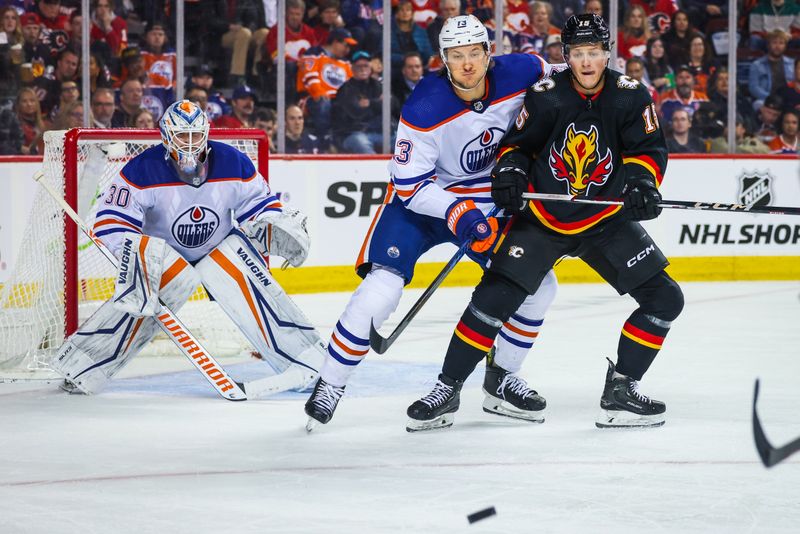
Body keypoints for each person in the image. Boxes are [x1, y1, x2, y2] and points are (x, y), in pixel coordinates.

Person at [407, 13, 682, 432]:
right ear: (566, 56)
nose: (587, 62)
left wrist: (644, 184)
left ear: (607, 53)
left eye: (594, 52)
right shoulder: (546, 95)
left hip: (604, 218)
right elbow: (517, 148)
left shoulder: (631, 96)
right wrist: (511, 175)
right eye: (578, 53)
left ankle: (622, 389)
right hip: (543, 219)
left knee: (665, 299)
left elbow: (646, 149)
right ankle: (447, 388)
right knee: (493, 300)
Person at [304, 15, 560, 431]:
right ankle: (330, 384)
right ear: (443, 60)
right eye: (457, 56)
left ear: (488, 53)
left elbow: (574, 80)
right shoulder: (424, 105)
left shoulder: (523, 70)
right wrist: (458, 212)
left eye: (474, 53)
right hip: (422, 201)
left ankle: (503, 378)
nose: (467, 64)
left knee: (539, 285)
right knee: (379, 291)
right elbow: (408, 184)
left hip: (488, 200)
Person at [51, 100, 326, 397]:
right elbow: (111, 221)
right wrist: (134, 255)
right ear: (167, 136)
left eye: (196, 135)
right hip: (162, 259)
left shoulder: (233, 161)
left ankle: (306, 360)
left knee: (248, 275)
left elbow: (260, 204)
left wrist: (273, 220)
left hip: (217, 251)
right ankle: (82, 366)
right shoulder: (142, 170)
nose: (191, 143)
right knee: (142, 296)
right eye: (183, 135)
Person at [331, 50, 383, 153]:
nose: (363, 69)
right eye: (359, 66)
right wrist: (378, 103)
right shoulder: (345, 89)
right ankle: (376, 169)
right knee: (361, 144)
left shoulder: (378, 85)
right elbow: (355, 113)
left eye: (366, 66)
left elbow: (392, 106)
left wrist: (370, 103)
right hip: (353, 133)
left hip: (378, 131)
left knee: (402, 142)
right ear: (352, 68)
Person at [748, 29, 795, 110]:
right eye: (774, 42)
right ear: (768, 45)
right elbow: (753, 87)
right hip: (766, 99)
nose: (777, 46)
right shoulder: (756, 65)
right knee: (758, 104)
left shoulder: (792, 64)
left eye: (781, 43)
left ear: (785, 46)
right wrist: (771, 98)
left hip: (788, 98)